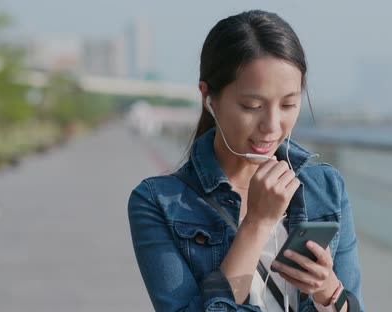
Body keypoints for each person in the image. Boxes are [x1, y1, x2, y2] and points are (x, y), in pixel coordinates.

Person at [128, 10, 364, 312]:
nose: (272, 125)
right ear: (208, 97)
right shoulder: (158, 202)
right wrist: (258, 222)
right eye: (252, 106)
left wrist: (328, 291)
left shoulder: (326, 187)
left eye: (289, 104)